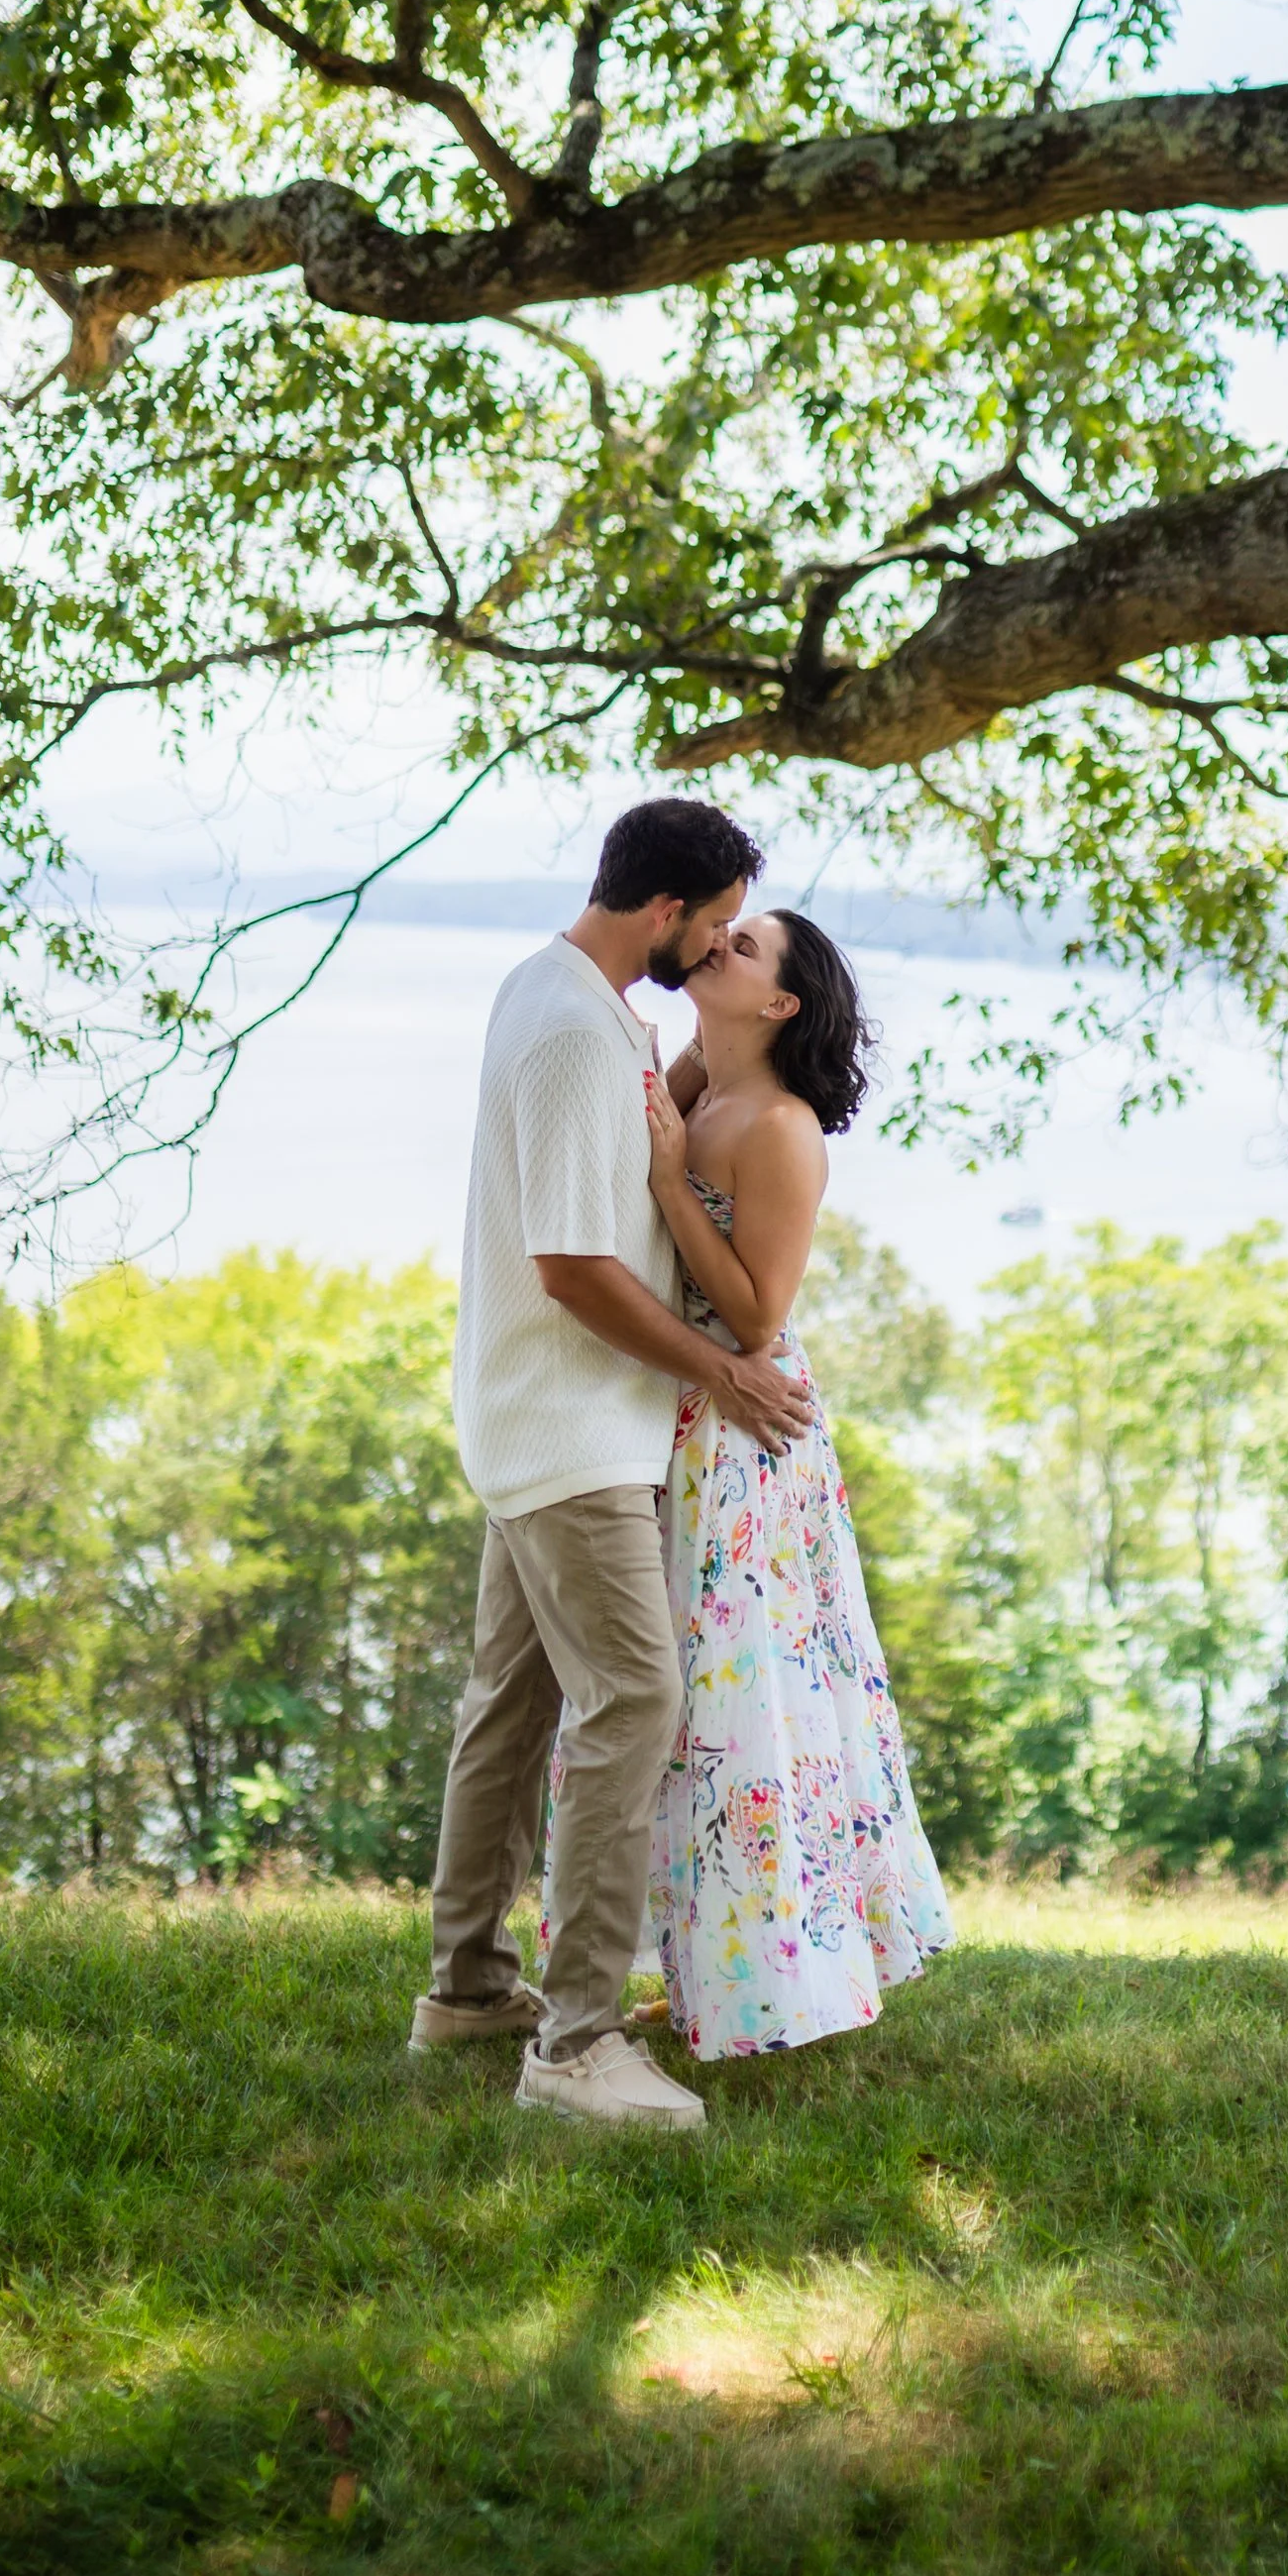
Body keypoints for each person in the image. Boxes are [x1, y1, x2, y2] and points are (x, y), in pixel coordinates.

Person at [410, 795, 808, 2134]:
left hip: (529, 1413)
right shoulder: (581, 1033)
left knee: (512, 1709)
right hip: (575, 1427)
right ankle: (577, 2044)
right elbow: (574, 1267)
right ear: (664, 912)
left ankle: (469, 1989)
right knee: (635, 1699)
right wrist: (722, 1370)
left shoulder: (556, 990)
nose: (714, 943)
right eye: (713, 920)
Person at [633, 902, 953, 2057]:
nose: (719, 944)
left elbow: (760, 1317)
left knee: (735, 1701)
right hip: (675, 1404)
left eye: (746, 945)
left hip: (740, 1427)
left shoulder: (776, 1125)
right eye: (722, 931)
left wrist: (673, 1184)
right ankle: (697, 1959)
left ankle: (768, 1976)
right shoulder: (695, 1079)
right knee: (670, 1700)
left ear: (780, 1004)